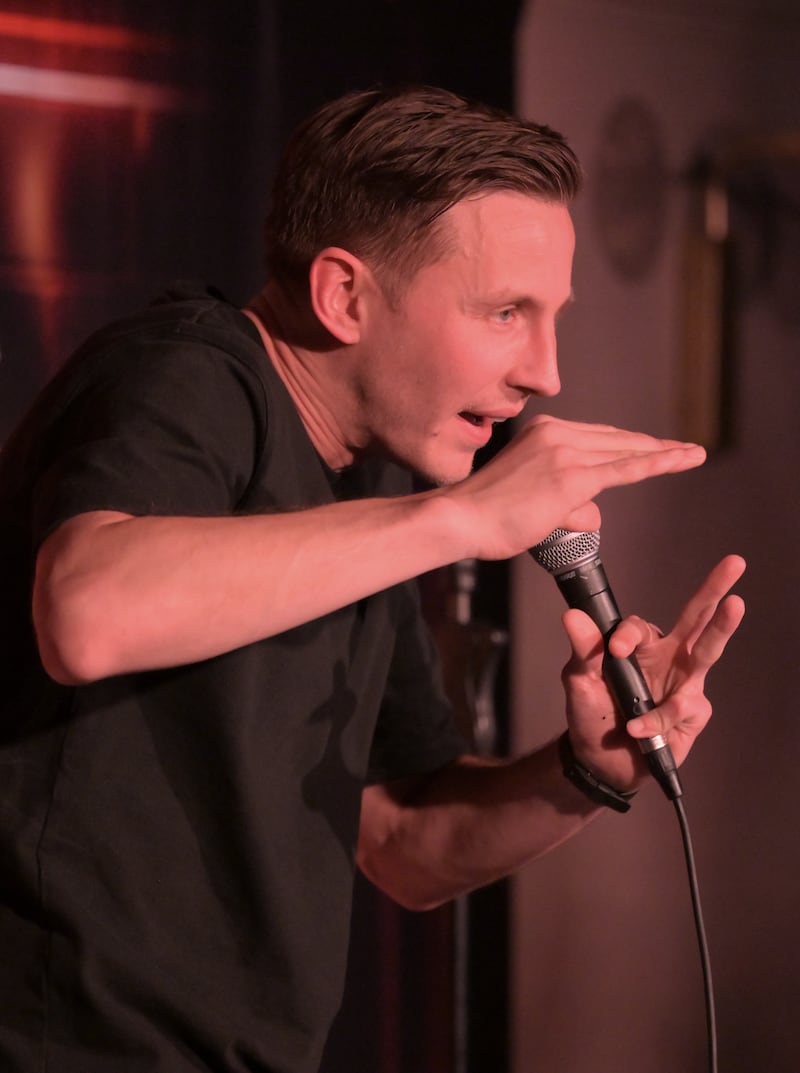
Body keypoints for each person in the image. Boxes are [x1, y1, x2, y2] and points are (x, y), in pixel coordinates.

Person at [0, 85, 745, 1073]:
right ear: (344, 295)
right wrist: (460, 520)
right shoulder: (186, 374)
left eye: (550, 317)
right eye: (505, 311)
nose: (545, 371)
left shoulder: (372, 492)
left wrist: (583, 772)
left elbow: (400, 838)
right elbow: (87, 610)